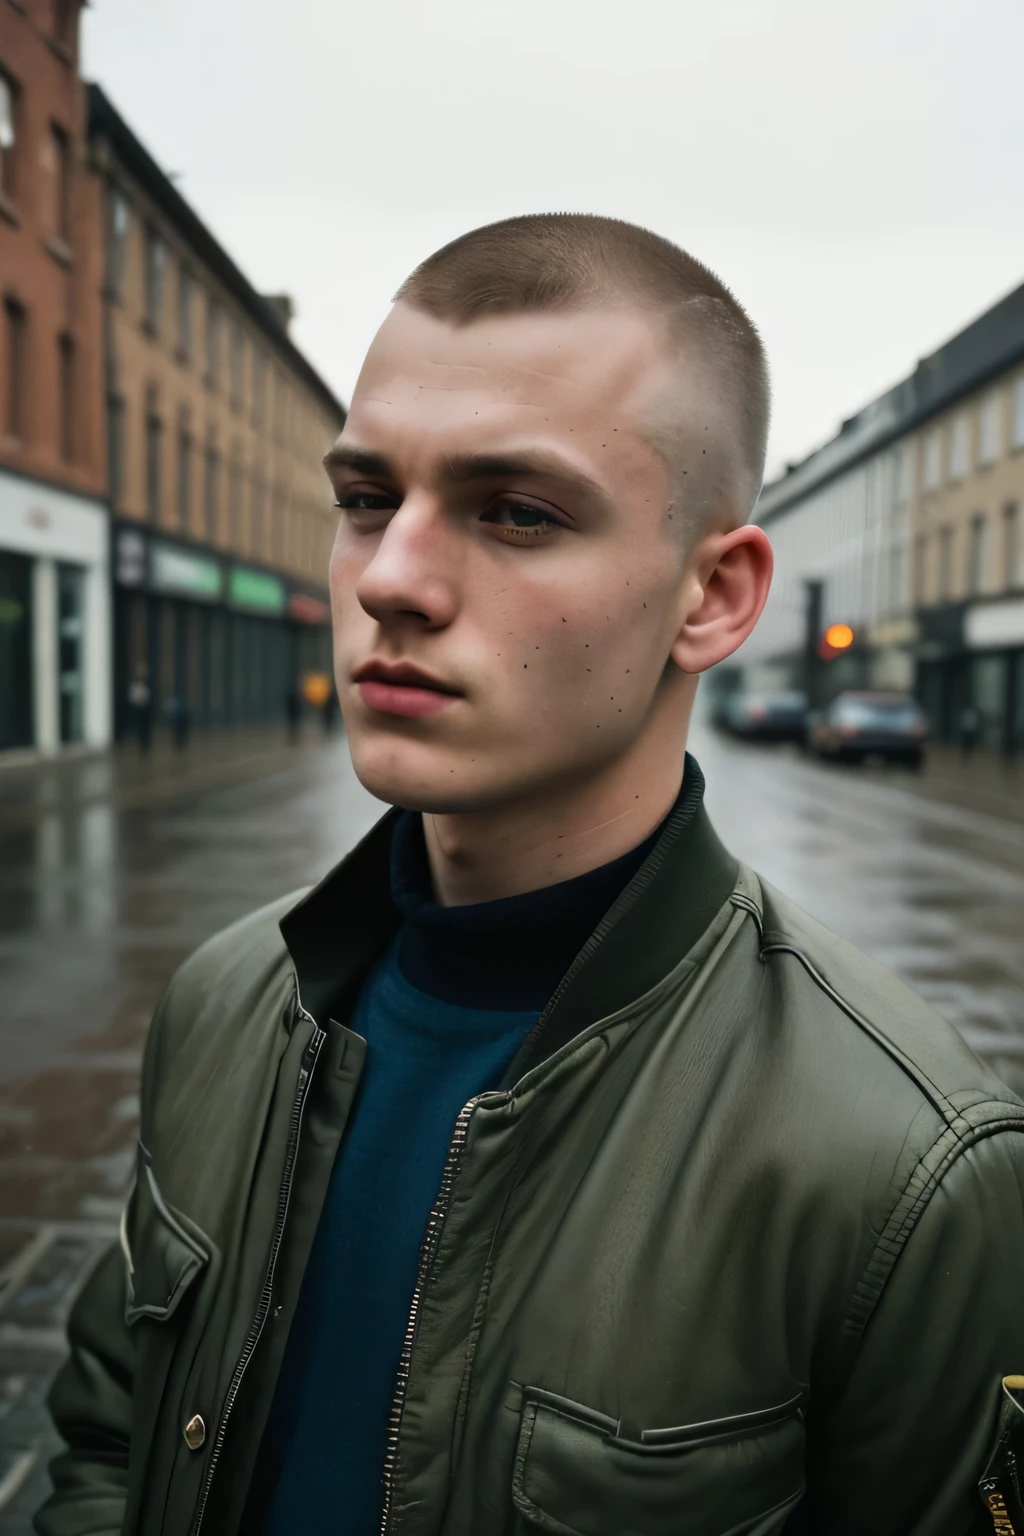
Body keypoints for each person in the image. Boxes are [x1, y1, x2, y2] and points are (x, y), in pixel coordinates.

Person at [36, 216, 1024, 1536]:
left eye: (517, 511)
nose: (391, 576)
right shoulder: (230, 1000)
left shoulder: (904, 1170)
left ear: (714, 597)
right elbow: (113, 1435)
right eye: (367, 499)